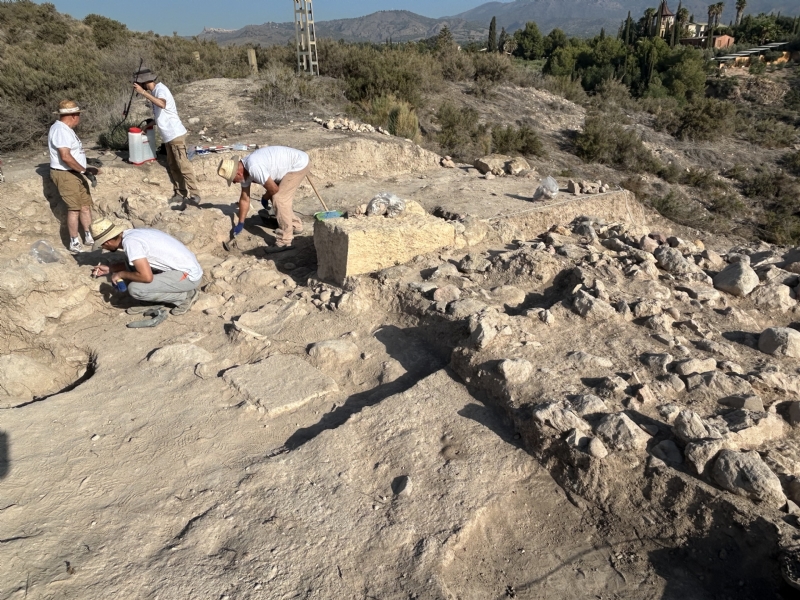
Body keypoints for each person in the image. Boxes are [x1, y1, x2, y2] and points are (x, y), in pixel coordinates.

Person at [89, 218, 203, 315]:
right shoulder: (132, 234)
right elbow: (139, 263)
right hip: (184, 269)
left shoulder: (131, 243)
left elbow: (147, 277)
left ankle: (185, 297)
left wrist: (120, 274)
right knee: (129, 260)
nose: (103, 248)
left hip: (188, 277)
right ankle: (150, 301)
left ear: (107, 242)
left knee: (135, 289)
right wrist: (111, 268)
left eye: (102, 245)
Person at [217, 146, 310, 252]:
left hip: (298, 164)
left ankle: (284, 242)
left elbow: (274, 189)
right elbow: (244, 199)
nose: (234, 182)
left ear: (238, 173)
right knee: (277, 197)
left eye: (233, 180)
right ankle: (295, 226)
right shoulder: (244, 173)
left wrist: (265, 198)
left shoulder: (253, 167)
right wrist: (240, 223)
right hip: (287, 166)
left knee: (279, 198)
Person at [132, 67, 200, 207]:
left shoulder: (160, 90)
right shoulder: (156, 92)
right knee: (173, 166)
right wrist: (147, 126)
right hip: (169, 137)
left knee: (183, 165)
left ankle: (194, 194)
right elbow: (161, 115)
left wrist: (143, 93)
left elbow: (162, 104)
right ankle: (180, 193)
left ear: (145, 83)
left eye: (140, 84)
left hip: (175, 135)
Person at [48, 100, 99, 253]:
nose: (79, 118)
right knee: (74, 208)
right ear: (73, 116)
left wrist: (86, 162)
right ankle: (74, 241)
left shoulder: (65, 129)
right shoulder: (61, 130)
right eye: (78, 115)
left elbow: (72, 153)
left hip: (74, 172)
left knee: (84, 206)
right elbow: (65, 157)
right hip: (66, 174)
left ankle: (89, 235)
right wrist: (85, 171)